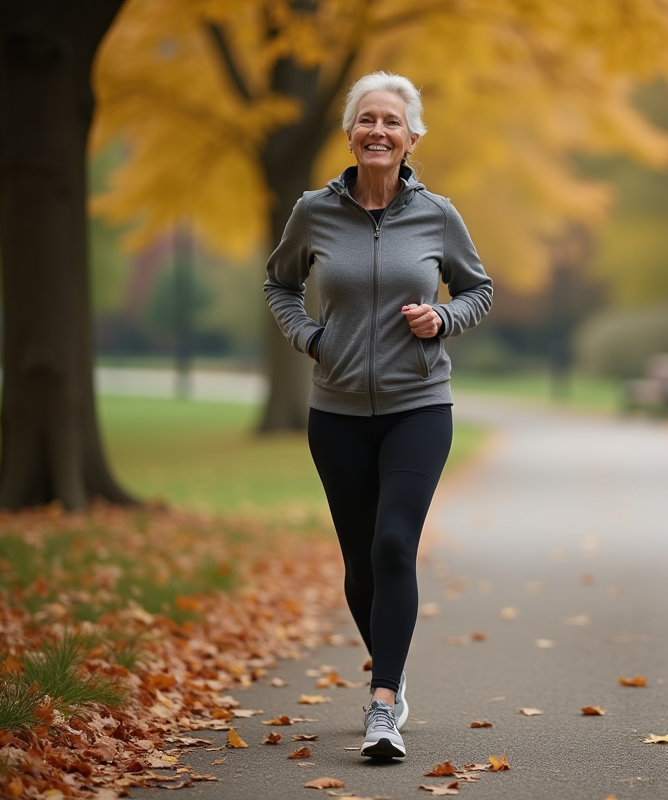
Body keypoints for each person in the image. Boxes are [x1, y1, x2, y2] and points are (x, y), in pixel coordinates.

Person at [264, 71, 492, 760]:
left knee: (394, 545)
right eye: (367, 119)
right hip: (335, 413)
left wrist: (443, 317)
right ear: (350, 132)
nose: (379, 131)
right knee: (361, 565)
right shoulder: (312, 212)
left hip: (418, 407)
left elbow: (478, 289)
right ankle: (391, 668)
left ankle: (383, 702)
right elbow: (280, 284)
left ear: (412, 136)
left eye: (392, 121)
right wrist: (309, 337)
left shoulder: (438, 214)